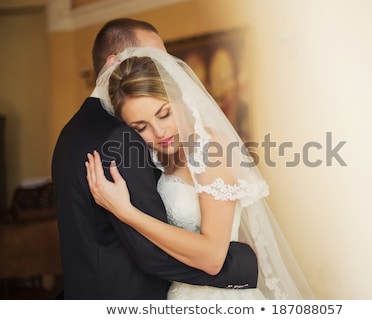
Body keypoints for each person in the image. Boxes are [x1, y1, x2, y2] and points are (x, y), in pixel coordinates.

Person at [51, 18, 259, 299]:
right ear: (114, 64)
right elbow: (150, 253)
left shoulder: (73, 130)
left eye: (163, 114)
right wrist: (242, 264)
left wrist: (127, 212)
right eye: (152, 58)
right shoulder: (119, 136)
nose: (162, 68)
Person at [86, 46, 315, 299]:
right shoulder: (156, 157)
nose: (159, 132)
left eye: (164, 114)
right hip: (178, 293)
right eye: (141, 127)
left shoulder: (211, 149)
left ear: (182, 99)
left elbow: (213, 258)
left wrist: (126, 212)